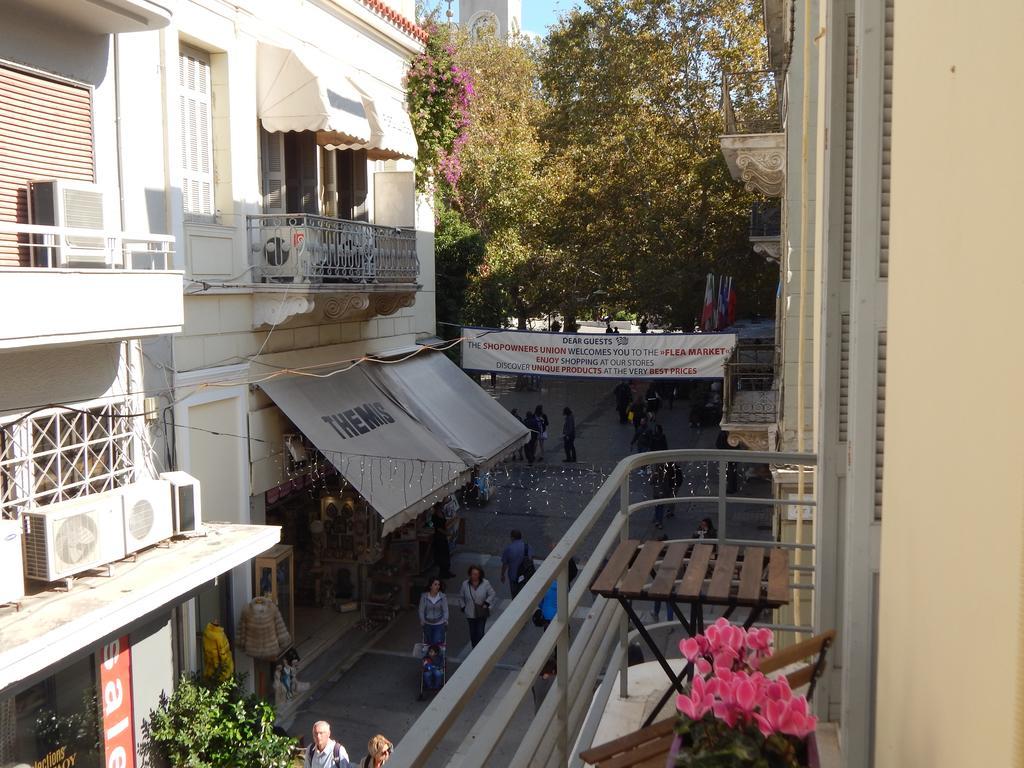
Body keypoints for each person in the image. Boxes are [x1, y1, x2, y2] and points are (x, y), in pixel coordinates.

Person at [459, 564, 496, 647]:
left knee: (480, 633)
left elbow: (492, 594)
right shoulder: (465, 584)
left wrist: (486, 603)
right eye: (472, 574)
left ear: (480, 575)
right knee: (473, 634)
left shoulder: (485, 583)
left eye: (476, 574)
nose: (474, 576)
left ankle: (479, 650)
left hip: (481, 612)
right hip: (470, 613)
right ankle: (474, 649)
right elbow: (461, 597)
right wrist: (463, 607)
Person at [418, 577, 448, 646]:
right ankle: (430, 656)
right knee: (428, 643)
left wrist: (445, 619)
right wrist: (422, 620)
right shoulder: (424, 597)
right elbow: (421, 610)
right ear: (430, 586)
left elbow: (445, 610)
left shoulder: (442, 597)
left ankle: (436, 656)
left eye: (438, 585)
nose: (437, 586)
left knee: (435, 642)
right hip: (427, 623)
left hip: (439, 623)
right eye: (435, 584)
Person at [500, 530, 530, 598]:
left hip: (514, 577)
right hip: (525, 575)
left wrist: (502, 575)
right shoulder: (527, 547)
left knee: (515, 595)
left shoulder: (509, 549)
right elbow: (530, 560)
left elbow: (504, 564)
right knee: (524, 594)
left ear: (512, 538)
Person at [430, 506, 455, 579]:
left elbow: (443, 524)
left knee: (446, 554)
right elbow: (438, 528)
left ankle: (446, 571)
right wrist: (446, 533)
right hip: (439, 537)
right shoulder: (434, 516)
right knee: (442, 556)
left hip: (443, 537)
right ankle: (443, 573)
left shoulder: (442, 513)